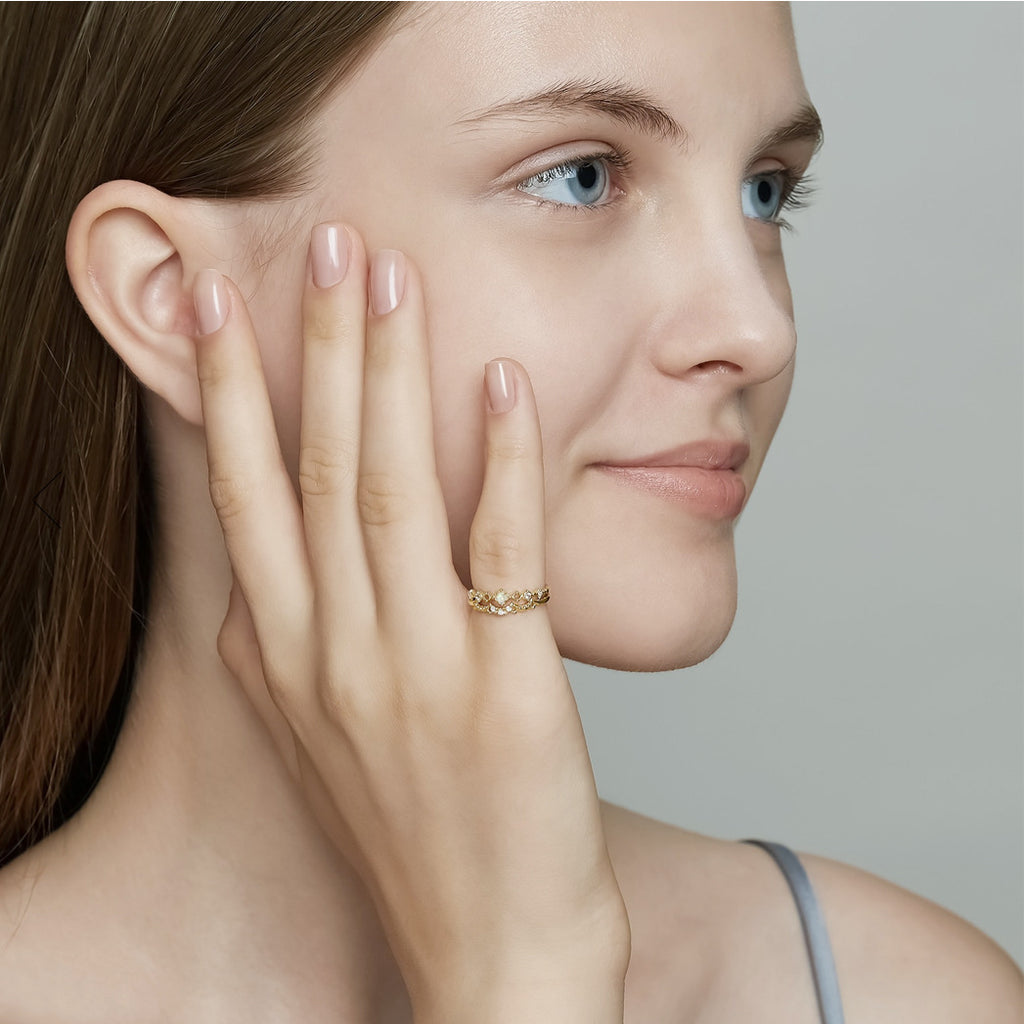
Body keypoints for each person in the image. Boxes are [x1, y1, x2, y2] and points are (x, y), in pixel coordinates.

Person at [0, 2, 1019, 1021]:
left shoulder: (901, 994)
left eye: (764, 193)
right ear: (169, 294)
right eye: (581, 176)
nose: (755, 330)